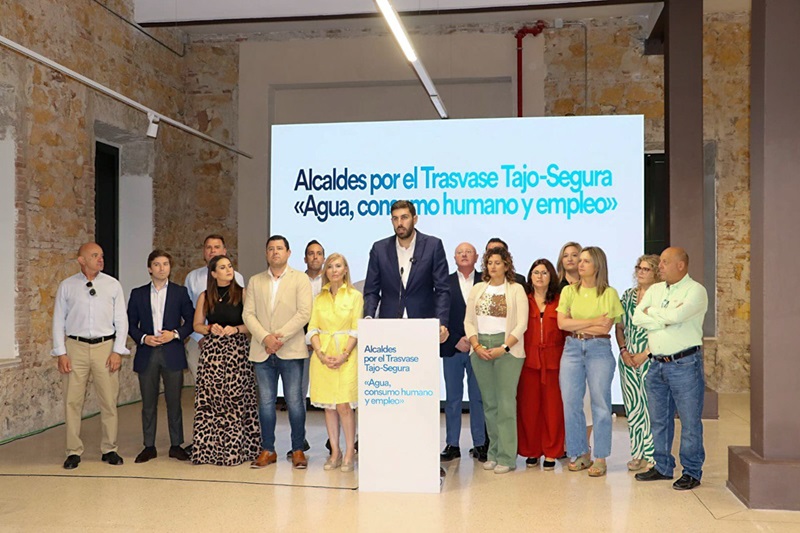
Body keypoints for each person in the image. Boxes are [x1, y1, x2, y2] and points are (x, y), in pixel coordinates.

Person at [633, 247, 708, 491]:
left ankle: (692, 471)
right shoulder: (655, 289)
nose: (660, 266)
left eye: (665, 262)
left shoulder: (695, 291)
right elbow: (637, 318)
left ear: (681, 265)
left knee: (689, 422)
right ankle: (663, 466)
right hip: (657, 365)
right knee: (659, 420)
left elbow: (677, 317)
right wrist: (664, 318)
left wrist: (653, 313)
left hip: (684, 364)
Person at [52, 243, 129, 469]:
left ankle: (109, 448)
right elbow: (58, 320)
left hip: (105, 347)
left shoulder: (112, 285)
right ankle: (73, 451)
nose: (100, 259)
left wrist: (117, 350)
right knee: (72, 401)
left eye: (101, 255)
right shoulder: (67, 286)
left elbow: (121, 320)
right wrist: (61, 352)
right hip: (75, 347)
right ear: (81, 260)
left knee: (109, 401)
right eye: (95, 255)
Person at [244, 235, 313, 469]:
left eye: (280, 248)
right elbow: (248, 314)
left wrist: (278, 338)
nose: (275, 252)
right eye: (271, 249)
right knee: (265, 403)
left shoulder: (300, 279)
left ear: (288, 253)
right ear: (266, 253)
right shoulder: (255, 281)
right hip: (262, 350)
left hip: (290, 349)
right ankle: (268, 450)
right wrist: (265, 337)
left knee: (295, 401)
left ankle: (298, 449)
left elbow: (304, 313)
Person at [557, 246, 623, 478]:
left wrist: (578, 322)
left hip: (599, 349)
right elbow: (562, 324)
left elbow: (605, 328)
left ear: (597, 265)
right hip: (572, 348)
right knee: (570, 402)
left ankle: (601, 457)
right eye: (580, 260)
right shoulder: (569, 291)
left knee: (600, 403)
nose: (580, 264)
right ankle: (580, 453)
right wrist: (593, 321)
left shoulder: (609, 293)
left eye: (585, 261)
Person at [464, 246, 528, 474]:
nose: (493, 266)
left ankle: (507, 457)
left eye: (497, 262)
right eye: (489, 262)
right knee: (490, 404)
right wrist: (476, 345)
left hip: (507, 350)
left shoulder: (516, 289)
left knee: (505, 403)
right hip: (480, 348)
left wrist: (504, 347)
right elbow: (468, 321)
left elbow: (522, 324)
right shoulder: (478, 288)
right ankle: (493, 453)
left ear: (506, 265)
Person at [191, 255, 260, 466]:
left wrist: (236, 329)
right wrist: (210, 328)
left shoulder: (242, 293)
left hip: (236, 353)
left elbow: (252, 324)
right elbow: (196, 325)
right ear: (214, 273)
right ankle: (208, 451)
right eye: (222, 267)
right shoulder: (205, 296)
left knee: (235, 401)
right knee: (211, 402)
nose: (229, 270)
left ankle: (236, 451)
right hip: (212, 354)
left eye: (229, 266)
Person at [127, 250, 195, 463]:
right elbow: (130, 323)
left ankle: (176, 445)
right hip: (147, 353)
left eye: (165, 264)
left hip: (172, 352)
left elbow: (191, 321)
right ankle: (149, 446)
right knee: (148, 403)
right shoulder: (138, 294)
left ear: (170, 267)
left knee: (174, 402)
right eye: (157, 264)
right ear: (150, 268)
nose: (161, 268)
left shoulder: (180, 292)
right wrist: (144, 338)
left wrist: (174, 334)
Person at [363, 200, 450, 344]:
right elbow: (371, 290)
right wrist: (368, 318)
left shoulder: (433, 246)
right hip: (389, 326)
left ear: (415, 219)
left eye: (404, 217)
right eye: (395, 218)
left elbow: (442, 290)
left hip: (423, 325)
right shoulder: (379, 249)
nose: (400, 223)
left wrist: (441, 322)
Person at [307, 254, 363, 472]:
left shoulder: (355, 296)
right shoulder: (319, 298)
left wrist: (344, 354)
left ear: (345, 269)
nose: (334, 270)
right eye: (329, 266)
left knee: (344, 406)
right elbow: (312, 327)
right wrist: (320, 353)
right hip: (323, 356)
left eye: (338, 266)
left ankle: (349, 452)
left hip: (346, 355)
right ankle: (335, 451)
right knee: (329, 407)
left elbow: (356, 328)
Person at [439, 242, 487, 463]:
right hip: (452, 347)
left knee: (478, 398)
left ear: (476, 257)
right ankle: (453, 444)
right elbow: (440, 314)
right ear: (454, 257)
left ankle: (480, 443)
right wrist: (455, 339)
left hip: (479, 348)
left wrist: (475, 340)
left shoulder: (486, 282)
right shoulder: (444, 283)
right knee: (453, 399)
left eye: (469, 252)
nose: (464, 255)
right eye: (460, 252)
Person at [517, 259, 566, 471]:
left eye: (544, 273)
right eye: (535, 272)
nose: (539, 276)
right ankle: (532, 450)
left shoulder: (560, 300)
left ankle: (552, 451)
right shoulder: (523, 299)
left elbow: (566, 331)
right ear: (530, 276)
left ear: (551, 276)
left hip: (554, 362)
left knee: (553, 410)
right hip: (528, 361)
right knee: (529, 409)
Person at [614, 254, 659, 472]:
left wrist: (645, 354)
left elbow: (662, 329)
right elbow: (620, 327)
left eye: (646, 269)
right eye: (638, 268)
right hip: (628, 359)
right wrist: (623, 350)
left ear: (656, 273)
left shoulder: (660, 297)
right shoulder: (628, 295)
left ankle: (652, 454)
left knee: (650, 407)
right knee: (633, 407)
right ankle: (637, 453)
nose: (640, 272)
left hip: (650, 358)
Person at [184, 234, 245, 380]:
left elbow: (244, 315)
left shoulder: (237, 278)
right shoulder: (192, 277)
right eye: (208, 247)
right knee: (204, 385)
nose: (212, 251)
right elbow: (187, 312)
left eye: (217, 247)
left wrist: (235, 330)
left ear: (224, 251)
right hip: (199, 339)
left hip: (234, 343)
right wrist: (201, 336)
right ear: (203, 251)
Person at [556, 241, 592, 451]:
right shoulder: (555, 286)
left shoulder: (592, 286)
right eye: (565, 255)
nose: (570, 259)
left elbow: (602, 320)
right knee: (566, 399)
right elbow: (561, 322)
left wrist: (575, 322)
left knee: (586, 399)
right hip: (559, 346)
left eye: (574, 255)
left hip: (588, 344)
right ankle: (566, 443)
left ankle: (584, 445)